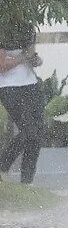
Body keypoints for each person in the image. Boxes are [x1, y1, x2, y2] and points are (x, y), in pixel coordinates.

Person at [0, 21, 45, 184]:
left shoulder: (27, 28)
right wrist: (23, 56)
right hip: (8, 86)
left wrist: (34, 59)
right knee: (29, 130)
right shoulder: (3, 31)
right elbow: (2, 65)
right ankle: (3, 165)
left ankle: (27, 181)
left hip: (30, 83)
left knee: (38, 132)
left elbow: (33, 56)